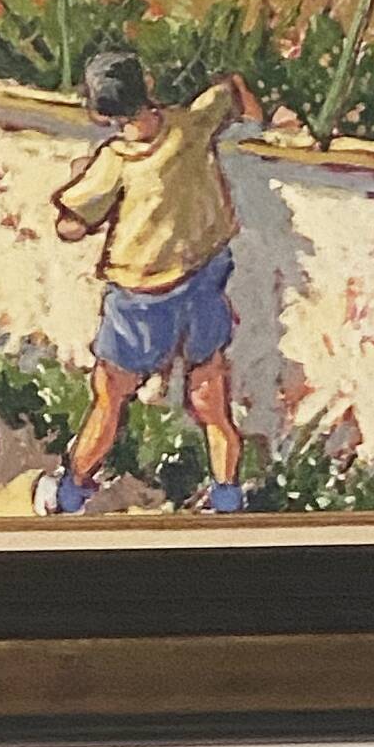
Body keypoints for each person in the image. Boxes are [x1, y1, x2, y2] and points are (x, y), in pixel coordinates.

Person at [35, 47, 257, 519]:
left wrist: (78, 181)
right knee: (210, 397)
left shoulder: (114, 160)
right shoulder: (191, 124)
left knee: (110, 397)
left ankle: (72, 492)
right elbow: (231, 91)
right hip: (203, 278)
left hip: (142, 298)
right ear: (149, 83)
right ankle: (225, 496)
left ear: (99, 111)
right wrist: (258, 122)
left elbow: (70, 225)